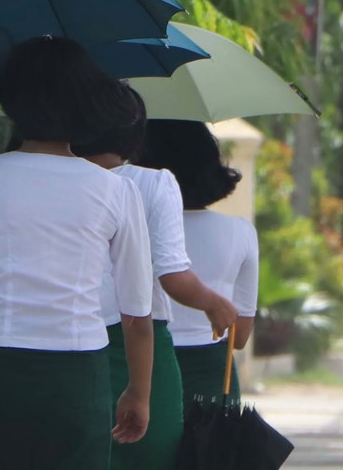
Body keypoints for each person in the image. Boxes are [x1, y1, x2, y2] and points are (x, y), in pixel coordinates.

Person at [0, 37, 156, 470]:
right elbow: (137, 315)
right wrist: (139, 393)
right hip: (78, 375)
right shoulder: (116, 190)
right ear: (86, 103)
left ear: (11, 98)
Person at [73, 92, 238, 470]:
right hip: (142, 347)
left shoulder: (60, 182)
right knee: (150, 455)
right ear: (135, 134)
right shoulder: (153, 183)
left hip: (73, 343)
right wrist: (214, 303)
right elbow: (173, 275)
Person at [138, 120, 259, 407]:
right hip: (211, 371)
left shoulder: (133, 227)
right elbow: (239, 336)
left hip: (144, 366)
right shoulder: (241, 232)